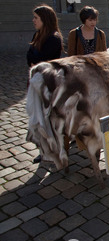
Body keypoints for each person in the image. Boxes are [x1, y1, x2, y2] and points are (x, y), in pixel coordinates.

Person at [26, 4, 64, 163]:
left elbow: (42, 60)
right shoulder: (38, 35)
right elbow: (29, 57)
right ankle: (44, 150)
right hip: (35, 81)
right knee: (37, 116)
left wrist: (34, 59)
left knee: (47, 118)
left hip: (47, 84)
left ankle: (53, 150)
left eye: (36, 18)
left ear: (45, 19)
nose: (33, 20)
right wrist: (34, 59)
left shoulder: (53, 38)